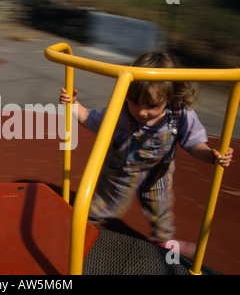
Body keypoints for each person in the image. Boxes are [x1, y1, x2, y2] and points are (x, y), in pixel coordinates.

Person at [59, 52, 233, 256]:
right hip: (121, 171)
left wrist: (212, 156)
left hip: (158, 173)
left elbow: (194, 143)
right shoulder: (121, 113)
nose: (141, 112)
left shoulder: (180, 114)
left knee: (161, 210)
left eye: (152, 106)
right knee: (104, 205)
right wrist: (72, 104)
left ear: (170, 96)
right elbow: (90, 119)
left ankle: (164, 240)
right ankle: (80, 228)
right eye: (135, 101)